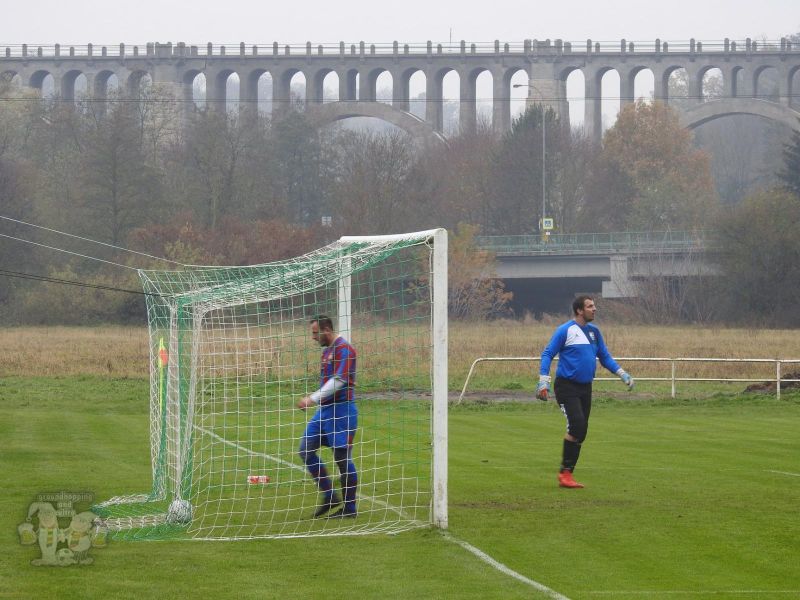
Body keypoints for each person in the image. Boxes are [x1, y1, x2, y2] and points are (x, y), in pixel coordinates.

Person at [536, 295, 633, 489]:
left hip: (585, 388)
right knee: (577, 425)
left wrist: (622, 373)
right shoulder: (565, 330)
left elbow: (604, 357)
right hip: (566, 387)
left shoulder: (594, 333)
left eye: (594, 305)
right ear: (580, 310)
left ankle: (567, 475)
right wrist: (543, 382)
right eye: (590, 306)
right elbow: (547, 353)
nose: (594, 309)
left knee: (581, 432)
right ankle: (564, 474)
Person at [297, 315, 358, 518]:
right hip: (323, 412)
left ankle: (349, 509)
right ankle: (330, 495)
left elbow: (339, 381)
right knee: (305, 450)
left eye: (315, 333)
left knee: (342, 459)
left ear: (326, 330)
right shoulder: (326, 353)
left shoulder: (345, 349)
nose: (313, 337)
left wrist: (311, 399)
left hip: (342, 411)